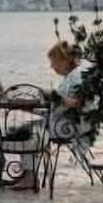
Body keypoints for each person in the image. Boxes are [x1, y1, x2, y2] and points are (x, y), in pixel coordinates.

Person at [6, 41, 91, 190]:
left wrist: (52, 95)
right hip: (65, 123)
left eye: (54, 62)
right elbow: (61, 105)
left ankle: (29, 176)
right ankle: (28, 173)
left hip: (69, 127)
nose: (52, 67)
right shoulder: (72, 76)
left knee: (25, 131)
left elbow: (76, 102)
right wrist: (34, 109)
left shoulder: (77, 77)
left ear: (64, 61)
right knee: (23, 126)